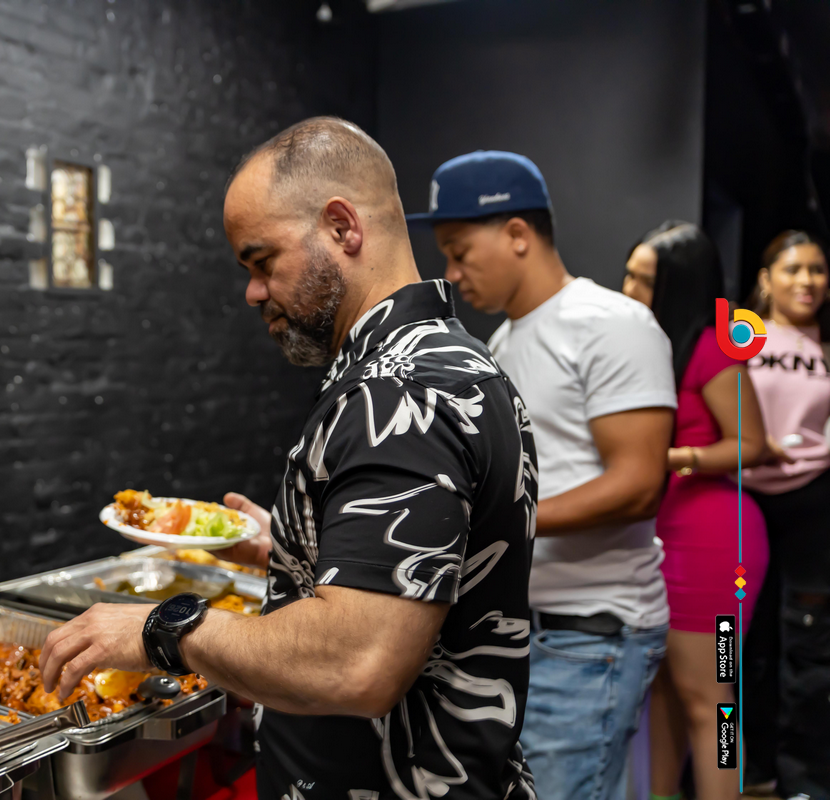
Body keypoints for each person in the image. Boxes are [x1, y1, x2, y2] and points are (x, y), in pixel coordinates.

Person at [38, 118, 540, 799]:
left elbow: (357, 661)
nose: (252, 292)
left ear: (342, 227)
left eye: (262, 261)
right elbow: (427, 574)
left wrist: (164, 630)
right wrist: (291, 551)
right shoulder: (448, 359)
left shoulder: (399, 392)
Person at [415, 151, 676, 800]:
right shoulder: (502, 344)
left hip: (590, 633)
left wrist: (490, 522)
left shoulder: (612, 324)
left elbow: (640, 483)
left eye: (459, 252)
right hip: (526, 632)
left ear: (517, 234)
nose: (451, 274)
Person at [622, 221, 769, 800]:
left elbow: (751, 444)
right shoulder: (648, 347)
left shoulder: (712, 348)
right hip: (660, 542)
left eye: (645, 280)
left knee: (716, 700)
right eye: (629, 275)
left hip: (718, 550)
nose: (629, 290)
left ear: (678, 286)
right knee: (664, 692)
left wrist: (674, 456)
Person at [740, 230, 830, 800]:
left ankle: (805, 783)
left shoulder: (828, 344)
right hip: (739, 503)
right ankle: (735, 766)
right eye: (794, 269)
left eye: (818, 270)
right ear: (766, 278)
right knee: (732, 642)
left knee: (809, 644)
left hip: (812, 504)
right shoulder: (738, 334)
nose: (807, 281)